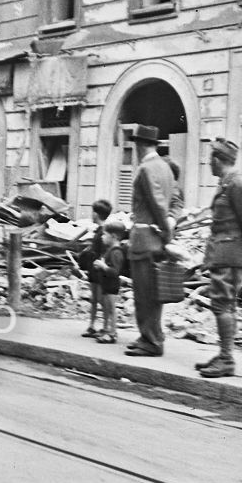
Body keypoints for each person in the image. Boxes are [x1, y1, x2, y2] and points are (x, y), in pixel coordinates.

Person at [196, 137, 242, 379]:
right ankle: (225, 354)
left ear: (217, 159)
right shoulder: (226, 182)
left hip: (231, 253)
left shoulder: (237, 184)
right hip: (224, 252)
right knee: (225, 304)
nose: (208, 164)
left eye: (209, 159)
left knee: (222, 304)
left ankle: (226, 359)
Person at [125, 125, 177, 357]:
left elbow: (157, 204)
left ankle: (152, 341)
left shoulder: (145, 168)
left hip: (145, 238)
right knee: (152, 292)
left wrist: (165, 231)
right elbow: (172, 201)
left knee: (144, 293)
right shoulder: (165, 167)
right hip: (155, 237)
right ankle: (148, 334)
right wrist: (167, 231)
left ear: (139, 145)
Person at [79, 198, 112, 336]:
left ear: (96, 214)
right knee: (94, 299)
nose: (91, 215)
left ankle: (106, 327)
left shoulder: (104, 231)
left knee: (100, 299)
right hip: (94, 268)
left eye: (93, 212)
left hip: (99, 268)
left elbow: (105, 251)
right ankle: (92, 326)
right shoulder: (100, 230)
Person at [92, 219, 128, 344]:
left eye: (105, 234)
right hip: (106, 284)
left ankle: (113, 333)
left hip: (112, 285)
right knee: (107, 308)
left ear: (113, 237)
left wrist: (103, 266)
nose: (102, 237)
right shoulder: (110, 250)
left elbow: (115, 272)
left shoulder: (117, 252)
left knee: (112, 310)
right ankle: (107, 330)